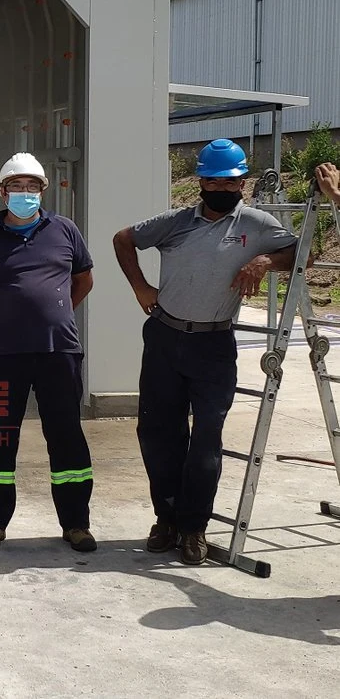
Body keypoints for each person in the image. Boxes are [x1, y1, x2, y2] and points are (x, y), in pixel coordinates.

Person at [113, 138, 298, 565]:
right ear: (200, 181)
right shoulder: (175, 222)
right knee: (159, 434)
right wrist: (141, 287)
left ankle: (194, 527)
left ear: (243, 183)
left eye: (231, 182)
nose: (222, 188)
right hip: (164, 338)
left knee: (206, 438)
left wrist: (264, 262)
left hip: (214, 344)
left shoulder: (256, 223)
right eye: (213, 180)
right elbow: (123, 239)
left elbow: (292, 250)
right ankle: (167, 519)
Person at [0, 153, 97, 553]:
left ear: (43, 190)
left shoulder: (65, 230)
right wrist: (4, 320)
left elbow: (83, 280)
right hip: (3, 356)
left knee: (66, 434)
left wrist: (53, 315)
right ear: (2, 192)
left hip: (59, 352)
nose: (25, 193)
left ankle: (76, 524)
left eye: (32, 186)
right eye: (16, 186)